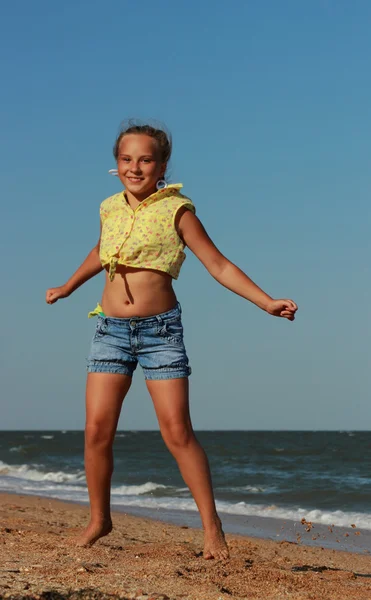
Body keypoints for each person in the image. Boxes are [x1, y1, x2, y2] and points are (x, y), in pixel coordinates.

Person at [46, 122, 298, 561]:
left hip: (160, 332)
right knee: (96, 430)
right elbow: (100, 250)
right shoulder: (109, 207)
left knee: (177, 431)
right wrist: (68, 286)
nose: (135, 167)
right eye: (126, 159)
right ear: (116, 163)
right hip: (109, 330)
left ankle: (212, 528)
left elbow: (218, 264)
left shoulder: (178, 210)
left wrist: (265, 301)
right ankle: (99, 520)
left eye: (145, 159)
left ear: (162, 165)